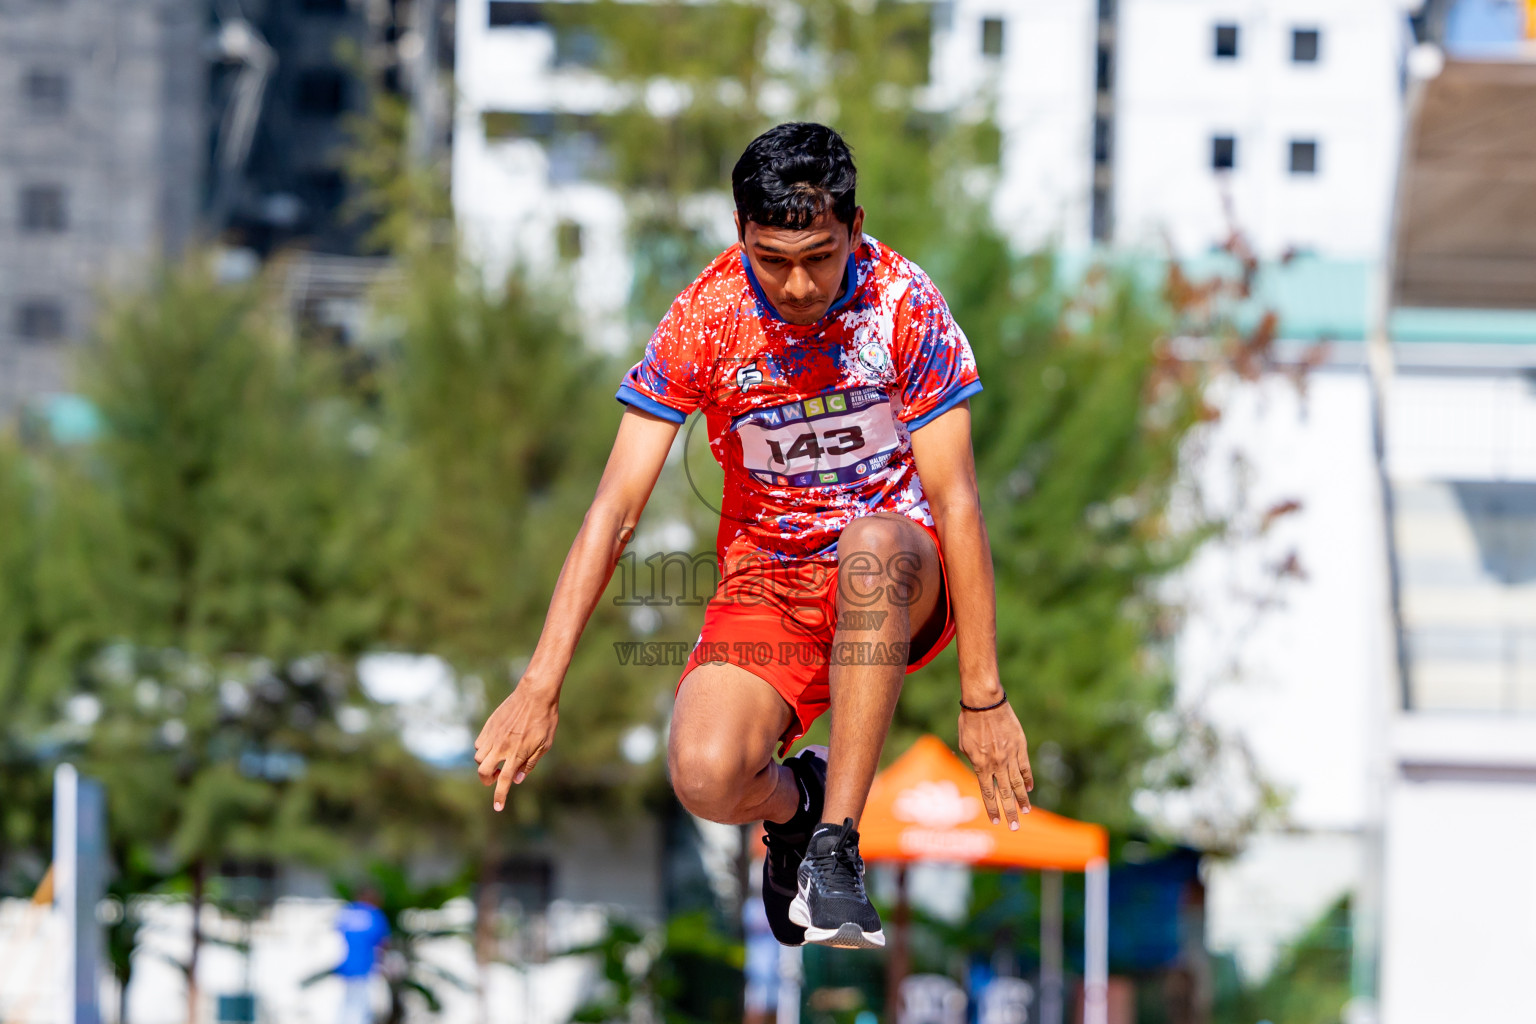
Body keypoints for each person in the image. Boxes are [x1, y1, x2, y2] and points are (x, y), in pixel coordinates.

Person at [475, 122, 1034, 949]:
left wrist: (982, 695)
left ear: (855, 226)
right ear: (741, 234)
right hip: (767, 577)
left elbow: (956, 504)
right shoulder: (707, 316)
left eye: (821, 255)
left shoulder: (903, 305)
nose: (800, 285)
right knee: (707, 775)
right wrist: (540, 682)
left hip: (898, 565)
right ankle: (799, 807)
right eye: (774, 260)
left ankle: (838, 851)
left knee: (871, 548)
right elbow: (616, 507)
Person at [334, 890, 389, 1024]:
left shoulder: (345, 913)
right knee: (362, 1008)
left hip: (343, 968)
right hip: (365, 968)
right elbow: (384, 943)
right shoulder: (374, 915)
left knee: (345, 1006)